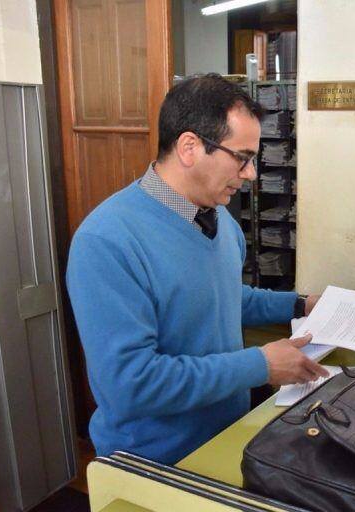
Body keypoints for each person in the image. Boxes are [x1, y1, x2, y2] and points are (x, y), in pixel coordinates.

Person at [67, 74, 328, 464]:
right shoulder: (106, 241)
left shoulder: (219, 220)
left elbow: (219, 297)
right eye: (242, 158)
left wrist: (302, 305)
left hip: (229, 436)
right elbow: (131, 383)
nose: (251, 175)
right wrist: (259, 365)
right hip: (154, 460)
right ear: (189, 147)